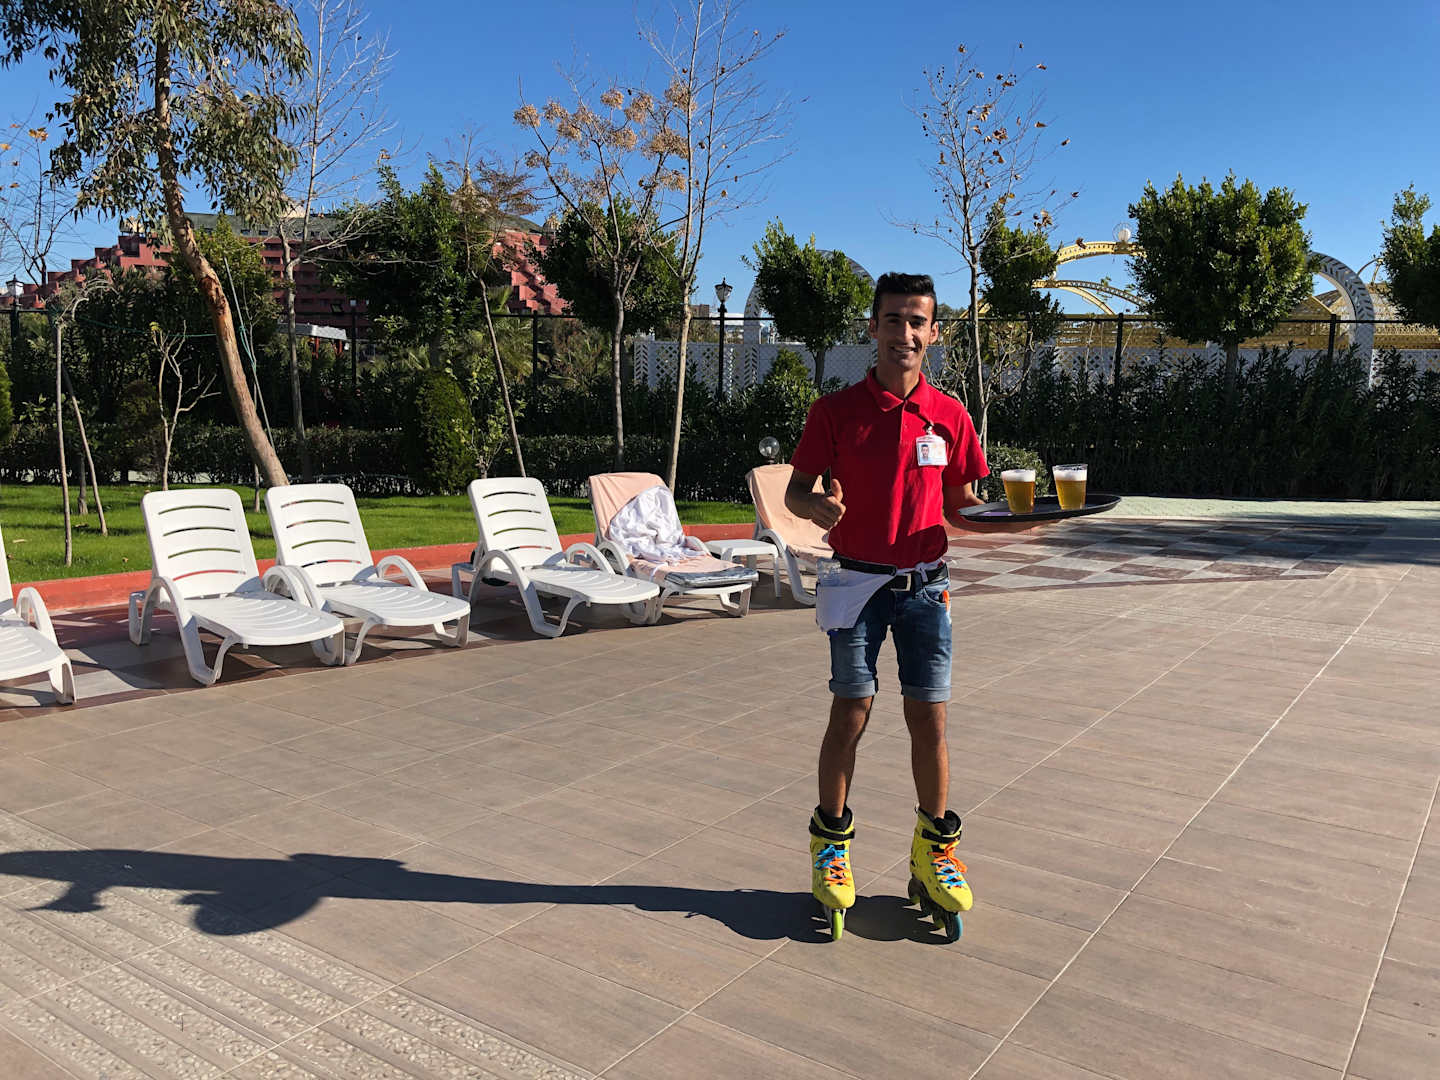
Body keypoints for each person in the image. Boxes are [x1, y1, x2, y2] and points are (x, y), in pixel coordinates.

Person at [785, 271, 987, 940]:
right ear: (872, 328)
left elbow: (963, 508)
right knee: (851, 711)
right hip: (856, 585)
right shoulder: (835, 412)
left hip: (926, 587)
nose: (905, 332)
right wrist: (815, 506)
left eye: (916, 321)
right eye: (893, 319)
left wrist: (1023, 518)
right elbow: (795, 492)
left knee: (930, 717)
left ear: (934, 333)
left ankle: (935, 851)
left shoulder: (950, 416)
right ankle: (831, 845)